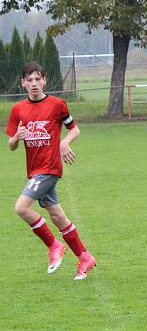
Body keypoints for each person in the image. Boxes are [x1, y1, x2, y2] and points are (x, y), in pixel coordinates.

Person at [6, 61, 96, 280]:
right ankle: (85, 258)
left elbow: (75, 129)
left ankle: (54, 245)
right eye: (30, 80)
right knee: (57, 216)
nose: (34, 83)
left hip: (49, 168)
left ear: (44, 80)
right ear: (23, 83)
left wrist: (64, 143)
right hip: (34, 170)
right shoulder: (18, 109)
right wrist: (17, 137)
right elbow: (11, 145)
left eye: (38, 79)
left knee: (21, 208)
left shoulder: (57, 104)